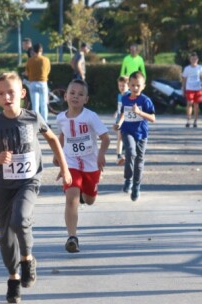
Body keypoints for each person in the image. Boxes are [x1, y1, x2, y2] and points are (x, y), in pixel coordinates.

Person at [0, 72, 72, 303]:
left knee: (20, 219)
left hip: (29, 182)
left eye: (11, 92)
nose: (6, 96)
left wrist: (65, 167)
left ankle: (27, 259)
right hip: (4, 187)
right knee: (5, 236)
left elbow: (52, 139)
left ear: (22, 94)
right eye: (1, 93)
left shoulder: (33, 118)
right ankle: (13, 279)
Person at [55, 79, 110, 253]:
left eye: (80, 94)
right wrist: (59, 157)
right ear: (65, 96)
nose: (75, 97)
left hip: (91, 165)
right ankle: (72, 237)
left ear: (86, 99)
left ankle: (88, 194)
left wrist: (101, 154)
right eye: (72, 93)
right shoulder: (60, 118)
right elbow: (62, 136)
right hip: (71, 163)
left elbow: (106, 138)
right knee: (72, 197)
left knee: (89, 200)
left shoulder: (90, 116)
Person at [113, 71, 156, 202]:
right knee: (130, 152)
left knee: (139, 160)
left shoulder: (145, 100)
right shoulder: (125, 98)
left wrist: (139, 112)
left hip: (141, 134)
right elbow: (123, 113)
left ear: (143, 86)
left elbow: (153, 118)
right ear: (129, 85)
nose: (135, 88)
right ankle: (128, 179)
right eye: (132, 85)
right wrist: (119, 124)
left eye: (138, 85)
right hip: (127, 131)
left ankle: (136, 186)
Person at [25, 43, 51, 123]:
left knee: (35, 105)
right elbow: (48, 71)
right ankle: (45, 122)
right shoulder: (46, 60)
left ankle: (36, 122)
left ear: (33, 50)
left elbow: (27, 73)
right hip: (43, 83)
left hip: (32, 83)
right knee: (44, 104)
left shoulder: (30, 61)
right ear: (41, 50)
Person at [182, 52, 202, 128]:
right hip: (189, 88)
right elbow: (184, 79)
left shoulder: (200, 68)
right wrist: (183, 88)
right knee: (189, 103)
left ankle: (195, 121)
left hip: (198, 88)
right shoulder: (187, 68)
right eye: (192, 59)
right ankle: (188, 120)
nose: (194, 60)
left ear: (197, 60)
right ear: (190, 60)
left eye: (195, 59)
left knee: (196, 105)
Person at [114, 76, 129, 165]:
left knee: (126, 139)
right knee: (119, 138)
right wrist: (116, 112)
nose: (121, 88)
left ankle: (127, 155)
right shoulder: (119, 95)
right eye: (120, 85)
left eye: (123, 85)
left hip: (127, 120)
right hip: (119, 120)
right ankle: (119, 156)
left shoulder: (129, 95)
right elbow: (120, 107)